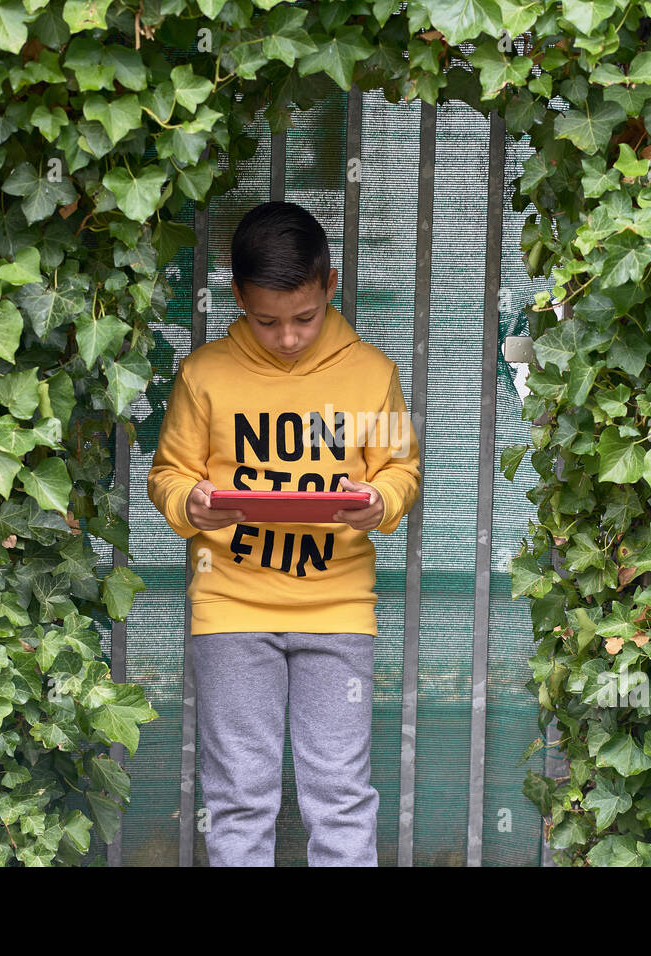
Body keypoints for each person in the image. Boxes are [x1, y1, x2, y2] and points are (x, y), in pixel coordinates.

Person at [146, 200, 422, 866]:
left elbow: (400, 472)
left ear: (329, 286)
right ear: (236, 295)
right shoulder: (204, 374)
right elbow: (167, 476)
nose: (289, 337)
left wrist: (377, 501)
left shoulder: (372, 373)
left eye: (303, 317)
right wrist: (195, 501)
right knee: (240, 795)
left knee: (341, 793)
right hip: (231, 610)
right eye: (267, 321)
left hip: (338, 609)